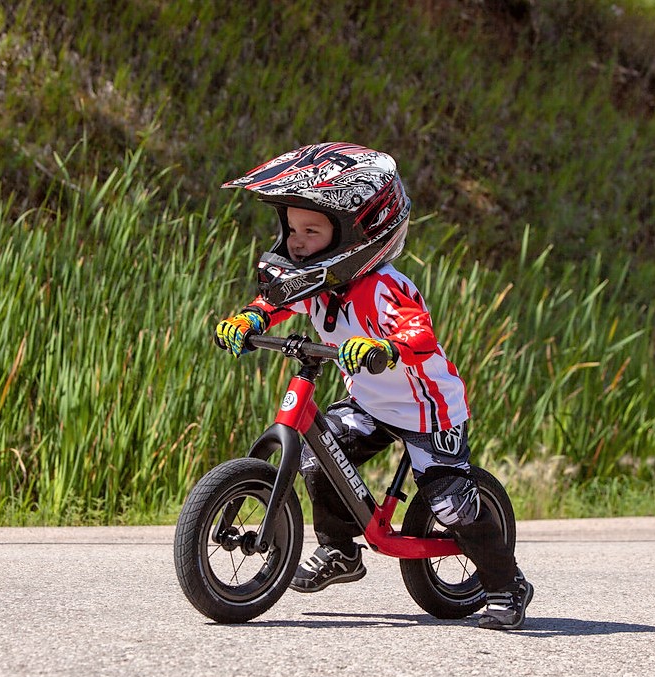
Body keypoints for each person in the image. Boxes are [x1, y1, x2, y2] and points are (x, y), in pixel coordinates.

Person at [213, 142, 533, 629]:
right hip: (370, 403)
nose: (296, 242)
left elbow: (416, 333)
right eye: (291, 229)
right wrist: (250, 317)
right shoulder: (316, 281)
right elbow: (276, 301)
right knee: (318, 458)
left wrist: (383, 348)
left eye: (311, 231)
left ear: (357, 234)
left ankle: (507, 584)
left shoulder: (384, 286)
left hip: (427, 411)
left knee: (450, 501)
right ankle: (341, 552)